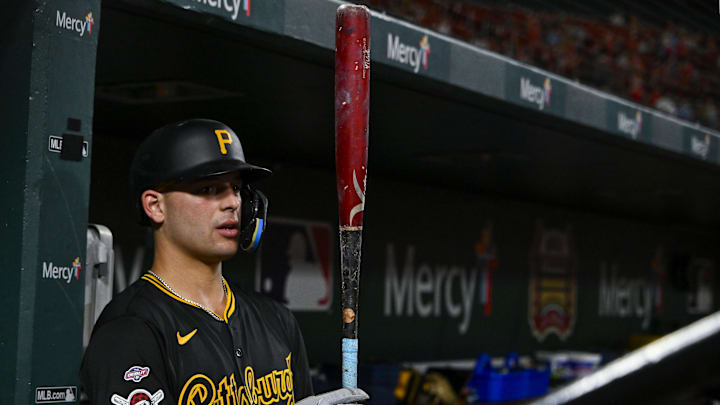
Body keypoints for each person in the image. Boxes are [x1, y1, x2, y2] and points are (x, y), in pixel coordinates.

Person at [80, 119, 366, 405]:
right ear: (155, 205)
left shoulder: (276, 320)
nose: (233, 202)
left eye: (236, 188)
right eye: (208, 189)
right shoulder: (130, 331)